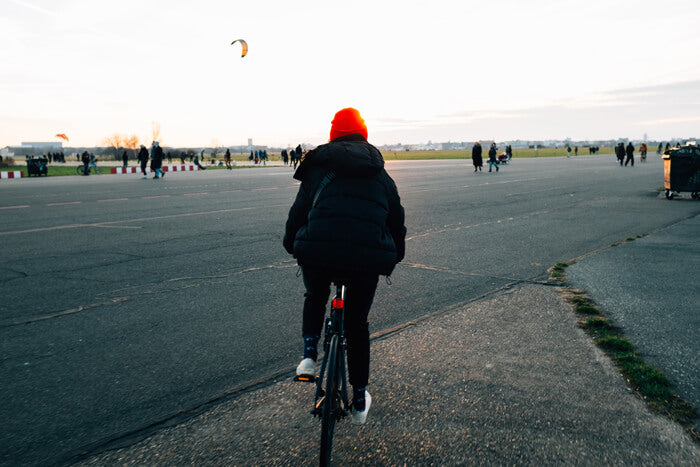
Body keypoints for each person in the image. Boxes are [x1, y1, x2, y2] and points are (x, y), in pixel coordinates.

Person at [283, 107, 406, 425]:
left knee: (315, 295)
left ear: (333, 134)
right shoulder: (380, 173)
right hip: (366, 260)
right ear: (364, 134)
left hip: (318, 252)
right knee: (357, 324)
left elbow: (298, 214)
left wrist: (292, 244)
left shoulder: (317, 167)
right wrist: (396, 254)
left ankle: (309, 357)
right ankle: (360, 397)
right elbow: (397, 221)